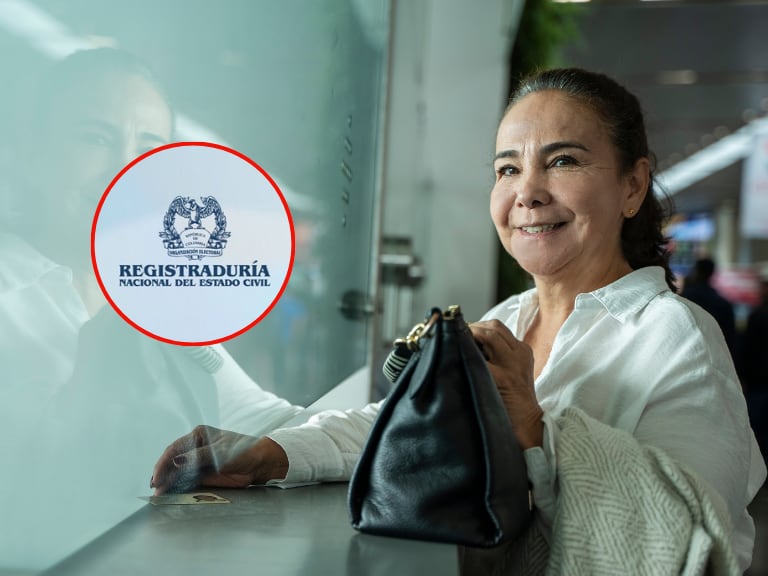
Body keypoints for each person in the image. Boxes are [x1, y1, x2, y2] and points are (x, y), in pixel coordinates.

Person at [151, 68, 767, 571]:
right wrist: (270, 454)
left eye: (562, 161)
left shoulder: (677, 336)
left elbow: (690, 539)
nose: (527, 192)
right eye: (508, 169)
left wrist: (534, 427)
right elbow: (400, 428)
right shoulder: (509, 318)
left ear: (633, 185)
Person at [0, 47, 304, 571]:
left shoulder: (153, 298)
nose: (126, 170)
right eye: (95, 138)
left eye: (149, 147)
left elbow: (274, 421)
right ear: (30, 154)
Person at [681, 257, 737, 359]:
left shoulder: (684, 299)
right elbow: (730, 339)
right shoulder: (722, 304)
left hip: (689, 354)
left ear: (696, 271)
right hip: (715, 356)